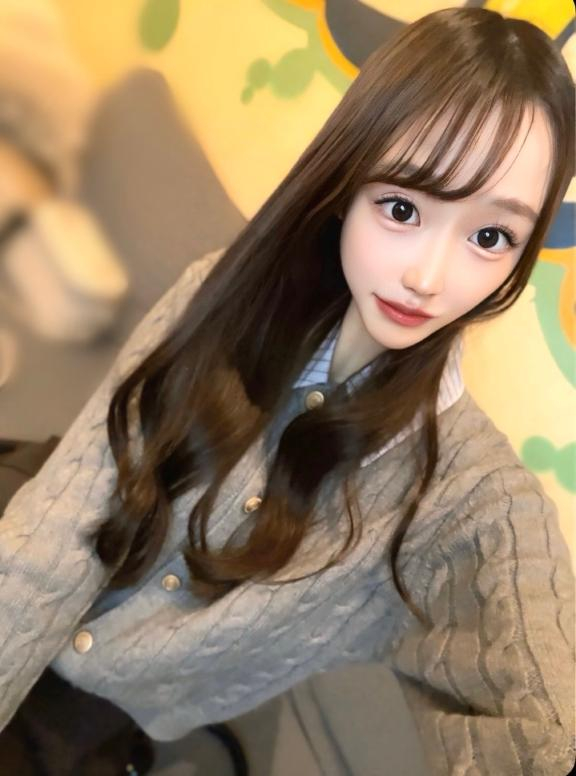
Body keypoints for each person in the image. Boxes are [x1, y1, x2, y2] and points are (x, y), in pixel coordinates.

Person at [0, 6, 574, 775]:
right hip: (34, 528)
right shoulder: (223, 293)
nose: (428, 277)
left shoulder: (464, 499)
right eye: (403, 208)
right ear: (349, 181)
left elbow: (548, 721)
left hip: (107, 711)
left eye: (489, 236)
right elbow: (59, 528)